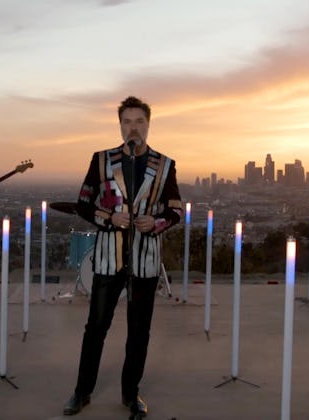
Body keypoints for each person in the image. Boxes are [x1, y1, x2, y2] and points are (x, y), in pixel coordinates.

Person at [63, 96, 183, 417]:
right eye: (127, 122)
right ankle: (82, 391)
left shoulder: (165, 164)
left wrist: (155, 223)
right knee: (96, 326)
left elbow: (176, 210)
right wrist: (109, 218)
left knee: (139, 330)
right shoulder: (101, 160)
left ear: (148, 124)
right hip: (107, 257)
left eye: (139, 121)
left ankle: (131, 395)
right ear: (120, 125)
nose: (133, 127)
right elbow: (84, 204)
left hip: (144, 259)